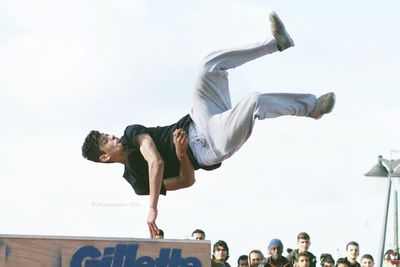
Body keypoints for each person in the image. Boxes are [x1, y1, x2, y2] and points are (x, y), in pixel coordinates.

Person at [81, 11, 336, 237]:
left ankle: (275, 43)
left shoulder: (131, 133)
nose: (113, 137)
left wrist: (152, 208)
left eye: (107, 134)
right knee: (254, 100)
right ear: (104, 157)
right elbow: (186, 181)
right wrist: (181, 155)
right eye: (106, 141)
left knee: (208, 65)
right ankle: (312, 107)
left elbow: (155, 160)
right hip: (210, 147)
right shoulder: (137, 182)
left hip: (199, 117)